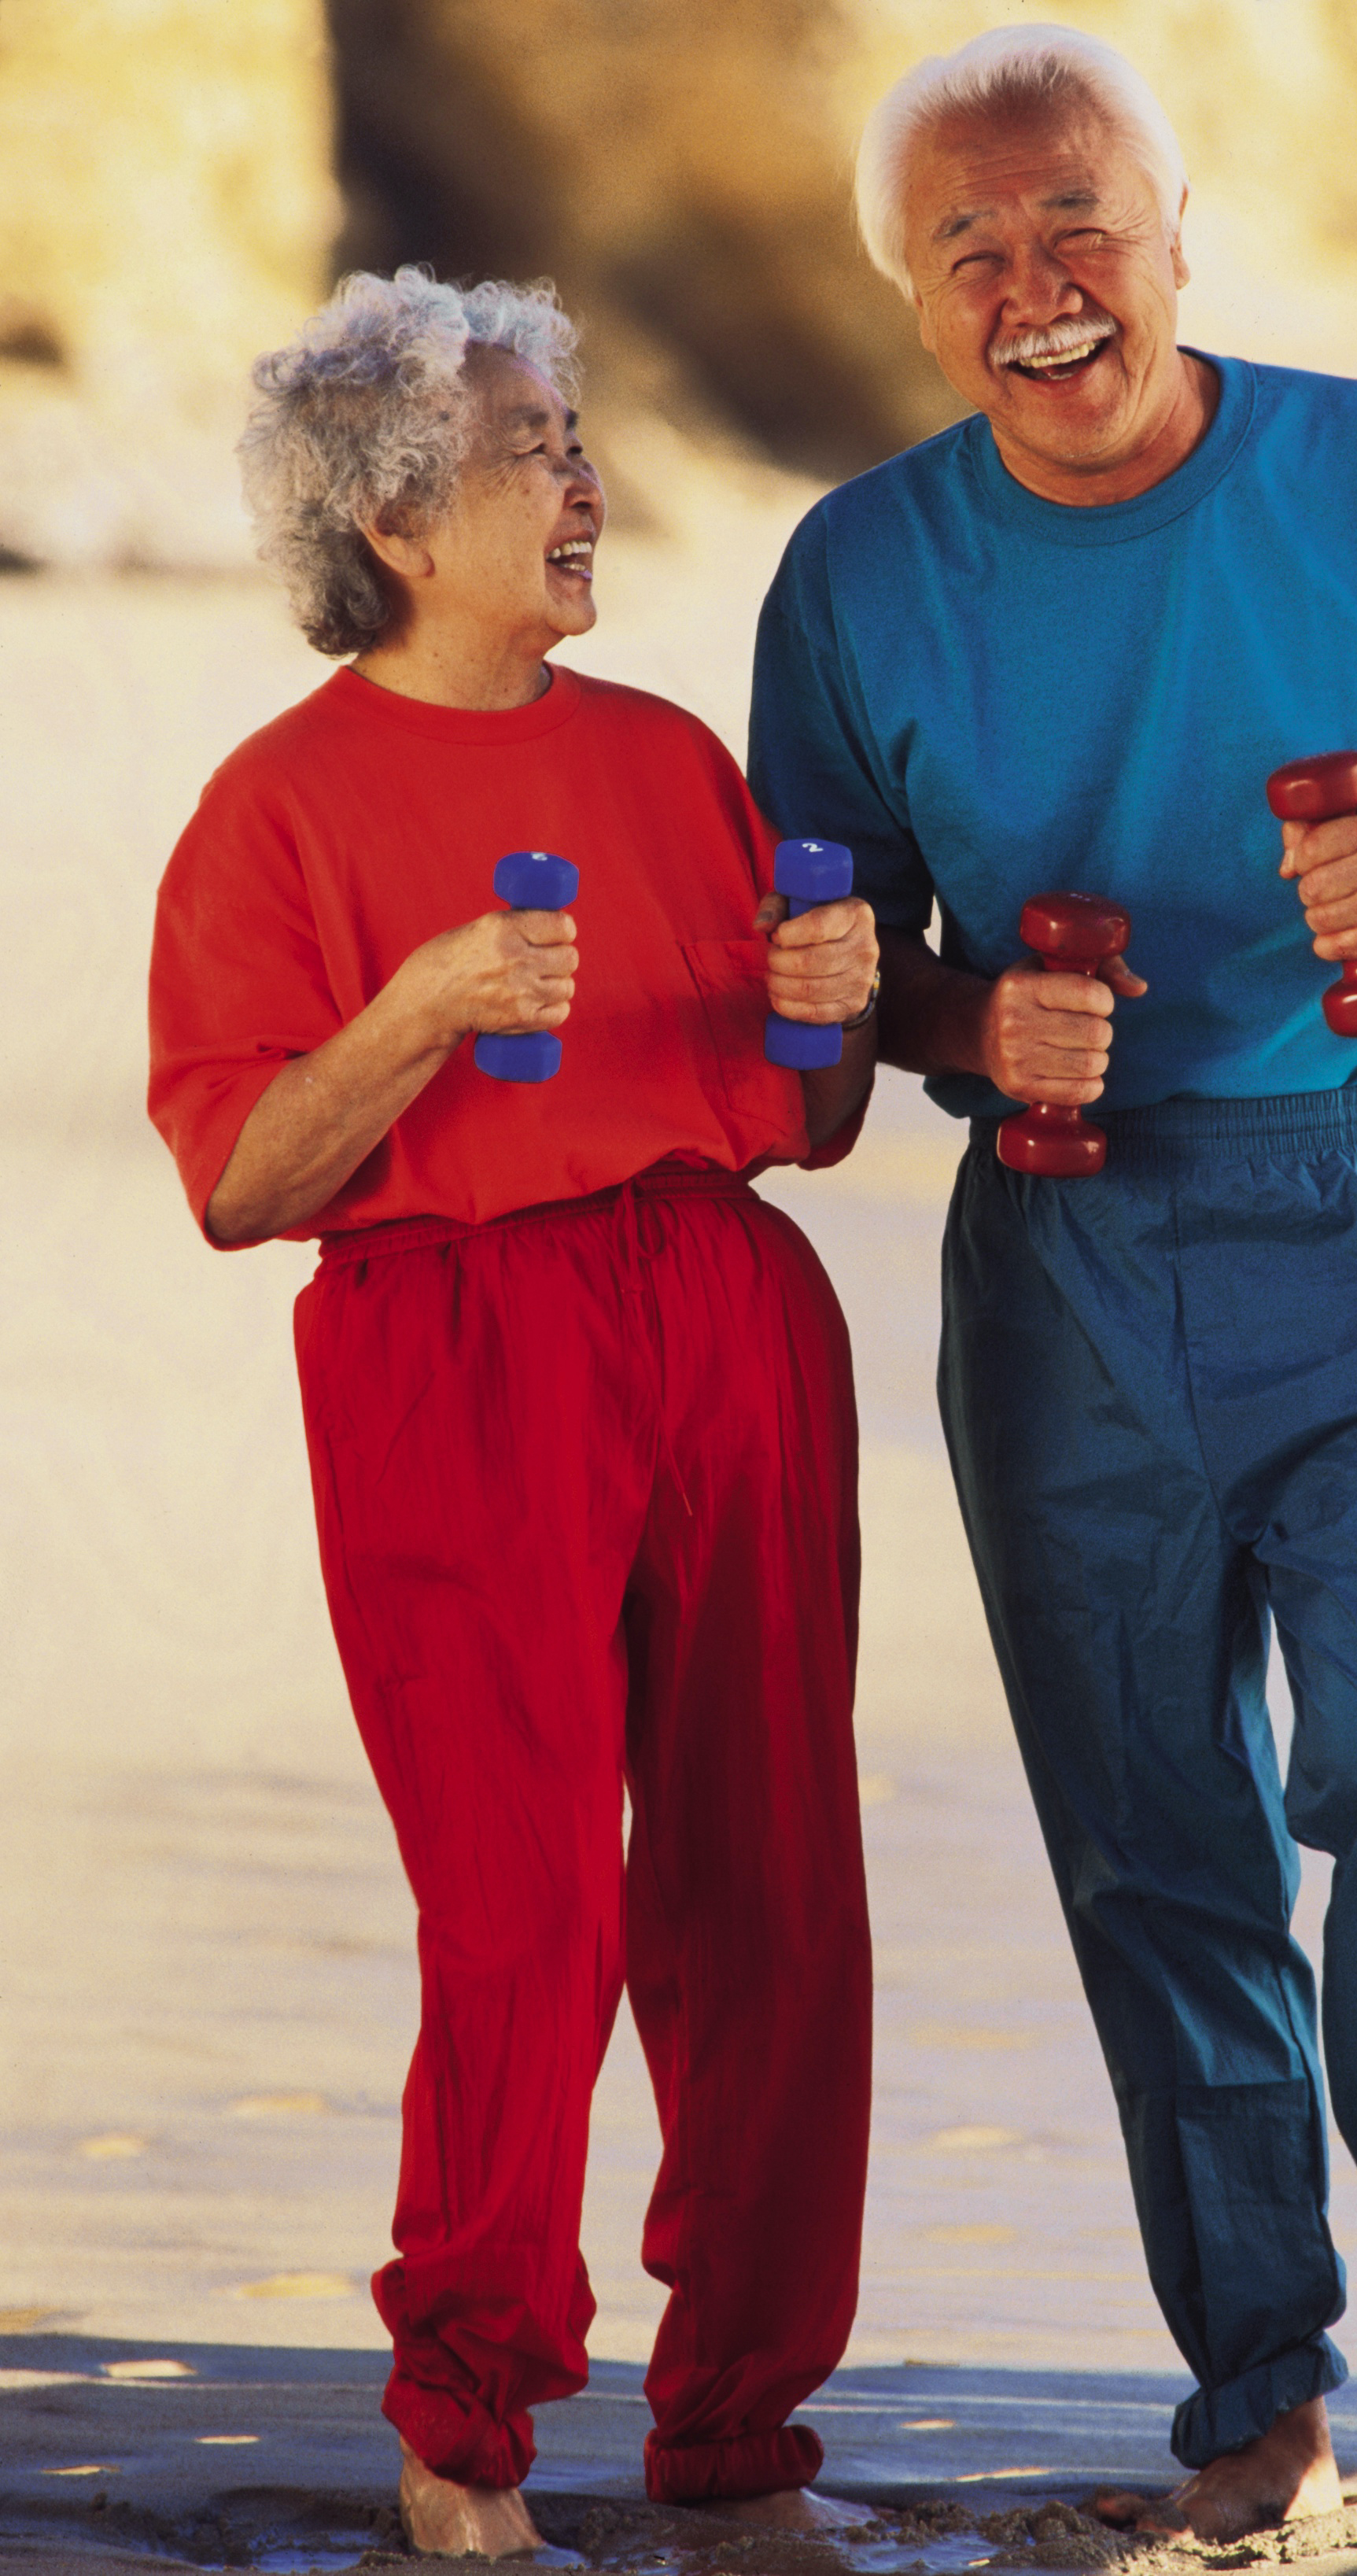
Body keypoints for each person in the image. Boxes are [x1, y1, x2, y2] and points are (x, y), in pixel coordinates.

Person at [748, 24, 1357, 2545]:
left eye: (1076, 230)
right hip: (1062, 1258)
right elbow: (818, 974)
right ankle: (1262, 2383)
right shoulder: (854, 574)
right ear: (913, 298)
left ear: (1176, 234)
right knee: (1157, 1848)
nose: (1036, 289)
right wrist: (955, 1014)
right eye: (972, 252)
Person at [149, 268, 879, 2558]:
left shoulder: (664, 755)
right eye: (532, 448)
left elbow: (810, 1118)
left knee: (772, 1890)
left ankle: (738, 2437)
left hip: (727, 1309)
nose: (584, 484)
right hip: (454, 1344)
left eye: (573, 435)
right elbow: (242, 1181)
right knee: (528, 1902)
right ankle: (466, 2436)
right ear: (392, 516)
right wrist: (425, 1007)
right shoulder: (274, 812)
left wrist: (837, 1012)